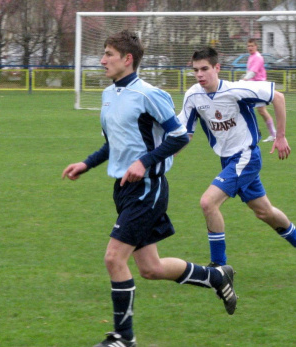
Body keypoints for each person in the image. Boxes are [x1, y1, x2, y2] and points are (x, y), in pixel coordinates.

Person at [62, 32, 237, 347]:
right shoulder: (108, 95)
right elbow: (113, 144)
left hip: (148, 189)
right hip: (123, 189)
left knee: (114, 259)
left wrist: (145, 162)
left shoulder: (149, 95)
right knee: (151, 268)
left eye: (108, 54)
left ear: (127, 59)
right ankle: (216, 277)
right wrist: (86, 164)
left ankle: (123, 338)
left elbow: (180, 136)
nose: (102, 60)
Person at [177, 47, 296, 275]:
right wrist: (163, 158)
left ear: (217, 68)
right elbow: (185, 134)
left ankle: (219, 268)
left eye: (204, 69)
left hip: (246, 156)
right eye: (195, 70)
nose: (200, 74)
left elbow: (278, 97)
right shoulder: (193, 96)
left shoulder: (236, 90)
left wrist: (280, 136)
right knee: (264, 212)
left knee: (208, 203)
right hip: (227, 159)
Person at [242, 38, 276, 143]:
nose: (250, 48)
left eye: (252, 46)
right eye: (248, 46)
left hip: (259, 86)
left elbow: (253, 72)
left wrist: (243, 80)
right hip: (252, 86)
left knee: (260, 110)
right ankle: (257, 133)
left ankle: (272, 134)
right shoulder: (251, 57)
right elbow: (249, 73)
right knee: (250, 108)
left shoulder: (258, 57)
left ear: (256, 46)